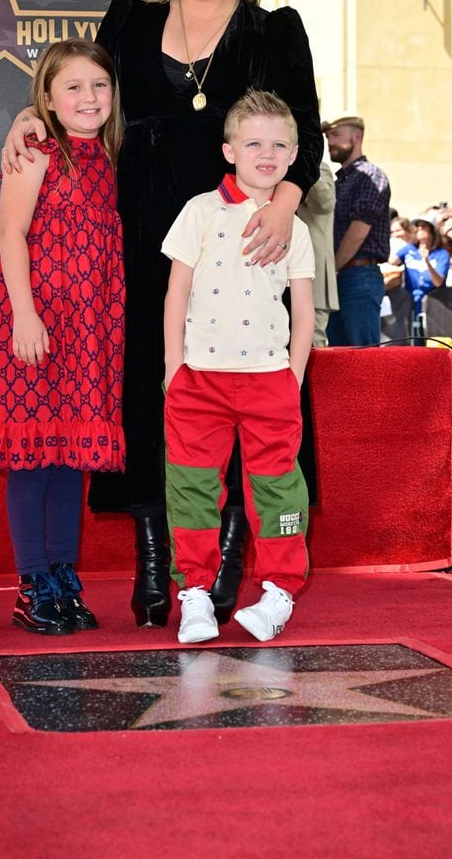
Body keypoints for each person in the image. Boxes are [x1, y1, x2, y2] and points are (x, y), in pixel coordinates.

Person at [3, 0, 322, 629]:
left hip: (245, 241)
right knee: (151, 395)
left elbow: (300, 129)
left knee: (252, 400)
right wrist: (26, 111)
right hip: (138, 237)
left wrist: (281, 205)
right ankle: (162, 572)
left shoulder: (276, 30)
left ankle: (232, 573)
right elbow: (75, 90)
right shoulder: (129, 16)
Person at [0, 40, 125, 636]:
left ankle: (61, 576)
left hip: (85, 330)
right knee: (31, 455)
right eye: (72, 86)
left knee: (70, 458)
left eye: (99, 85)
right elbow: (11, 232)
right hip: (29, 320)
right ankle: (32, 583)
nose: (88, 97)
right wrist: (25, 314)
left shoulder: (106, 155)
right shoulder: (35, 151)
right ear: (45, 98)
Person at [162, 91, 315, 644]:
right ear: (229, 150)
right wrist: (173, 367)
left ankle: (278, 593)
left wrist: (293, 376)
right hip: (197, 380)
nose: (266, 153)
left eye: (279, 144)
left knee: (278, 488)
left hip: (270, 381)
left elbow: (303, 307)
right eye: (253, 143)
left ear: (295, 153)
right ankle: (196, 597)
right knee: (193, 486)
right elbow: (176, 290)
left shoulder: (293, 227)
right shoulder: (200, 211)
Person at [322, 113, 390, 346]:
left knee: (364, 358)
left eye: (336, 135)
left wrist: (332, 268)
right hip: (344, 275)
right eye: (328, 136)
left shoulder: (372, 175)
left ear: (357, 136)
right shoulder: (339, 180)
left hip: (358, 275)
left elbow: (359, 230)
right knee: (338, 358)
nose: (330, 141)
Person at [298, 157, 338, 346]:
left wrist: (305, 159)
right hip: (279, 272)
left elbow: (324, 203)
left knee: (312, 345)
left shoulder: (318, 167)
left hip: (313, 275)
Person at [389, 214, 450, 320]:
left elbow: (438, 282)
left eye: (423, 226)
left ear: (432, 231)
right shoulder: (408, 249)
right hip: (409, 300)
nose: (419, 228)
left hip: (433, 301)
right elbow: (390, 263)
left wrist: (426, 261)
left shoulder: (441, 254)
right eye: (417, 226)